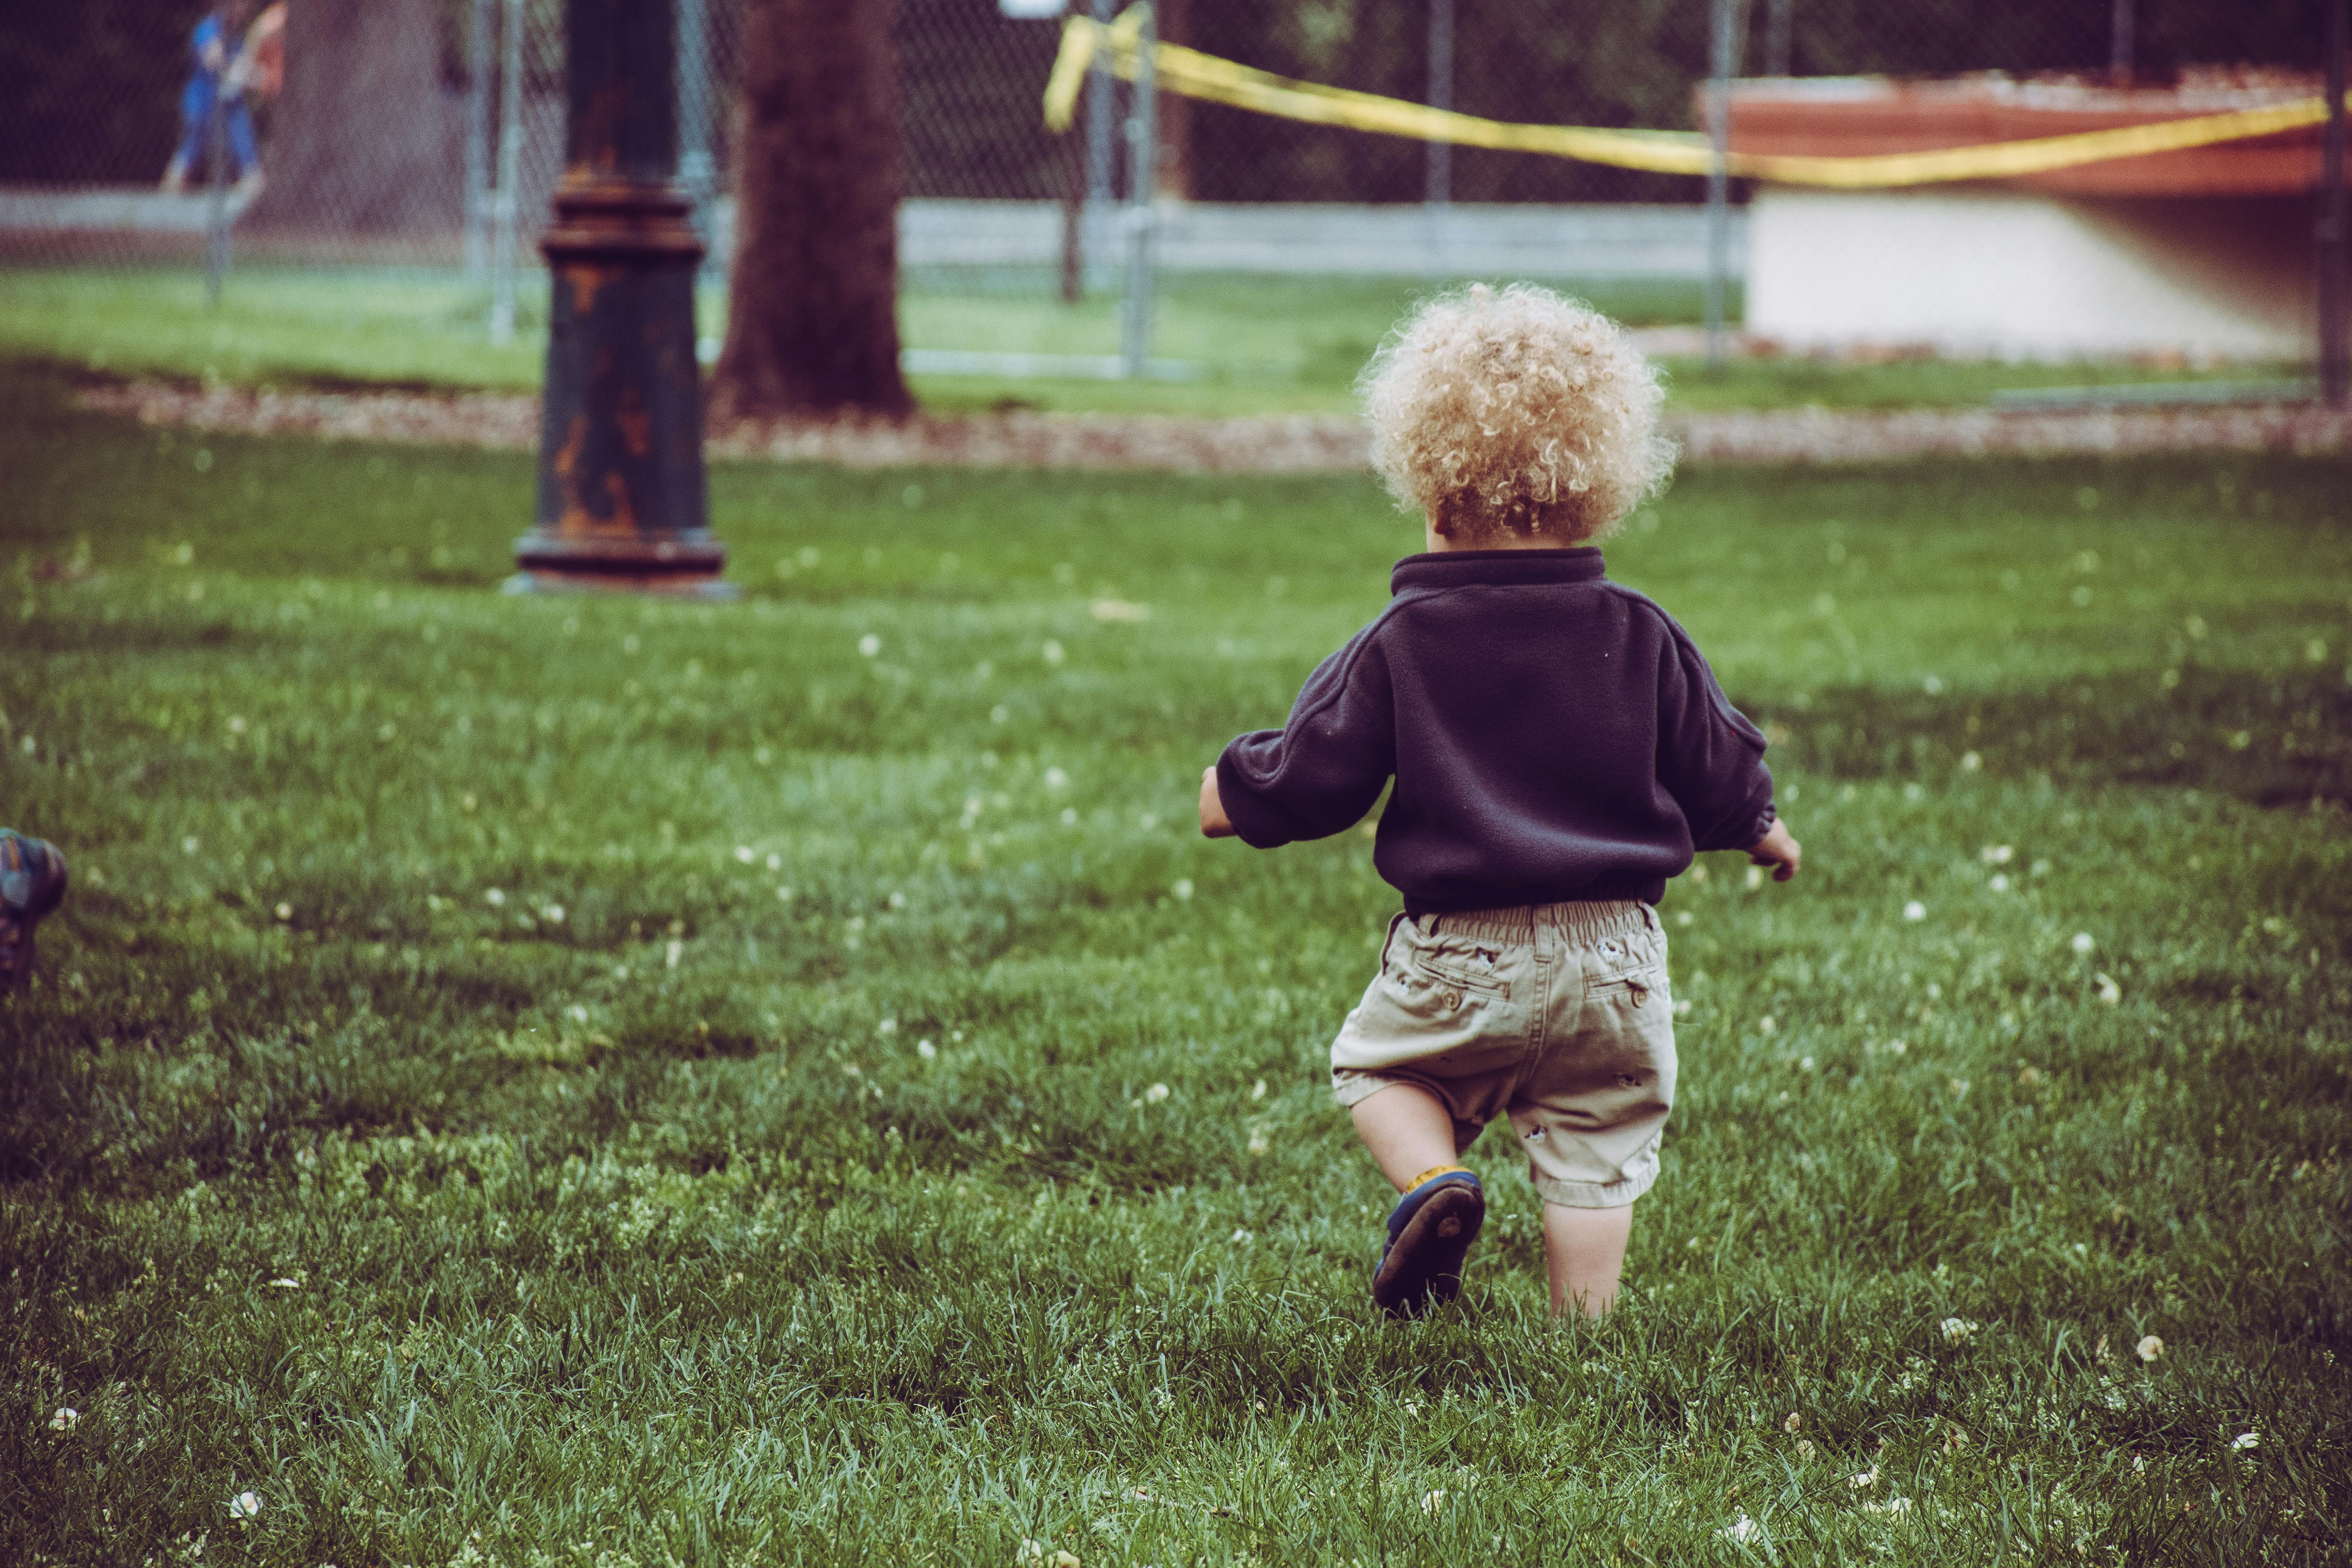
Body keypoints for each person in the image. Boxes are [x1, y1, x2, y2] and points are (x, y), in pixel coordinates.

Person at [1198, 283, 1802, 1320]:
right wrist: (1757, 825)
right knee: (1597, 1141)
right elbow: (1714, 754)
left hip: (1456, 957)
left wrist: (1229, 793)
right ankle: (1584, 1332)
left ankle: (1433, 1182)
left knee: (1379, 1070)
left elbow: (1317, 769)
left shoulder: (1401, 640)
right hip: (1615, 956)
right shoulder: (1642, 630)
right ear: (1596, 493)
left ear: (1431, 497)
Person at [160, 1, 264, 198]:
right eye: (237, 5)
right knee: (193, 145)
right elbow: (212, 60)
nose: (243, 9)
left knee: (241, 134)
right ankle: (171, 190)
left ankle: (252, 177)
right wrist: (238, 71)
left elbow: (247, 69)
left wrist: (253, 75)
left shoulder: (237, 36)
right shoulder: (208, 28)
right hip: (202, 102)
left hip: (229, 104)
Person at [0, 829, 68, 992]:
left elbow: (52, 868)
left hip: (48, 872)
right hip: (36, 870)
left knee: (13, 942)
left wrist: (31, 915)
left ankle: (14, 986)